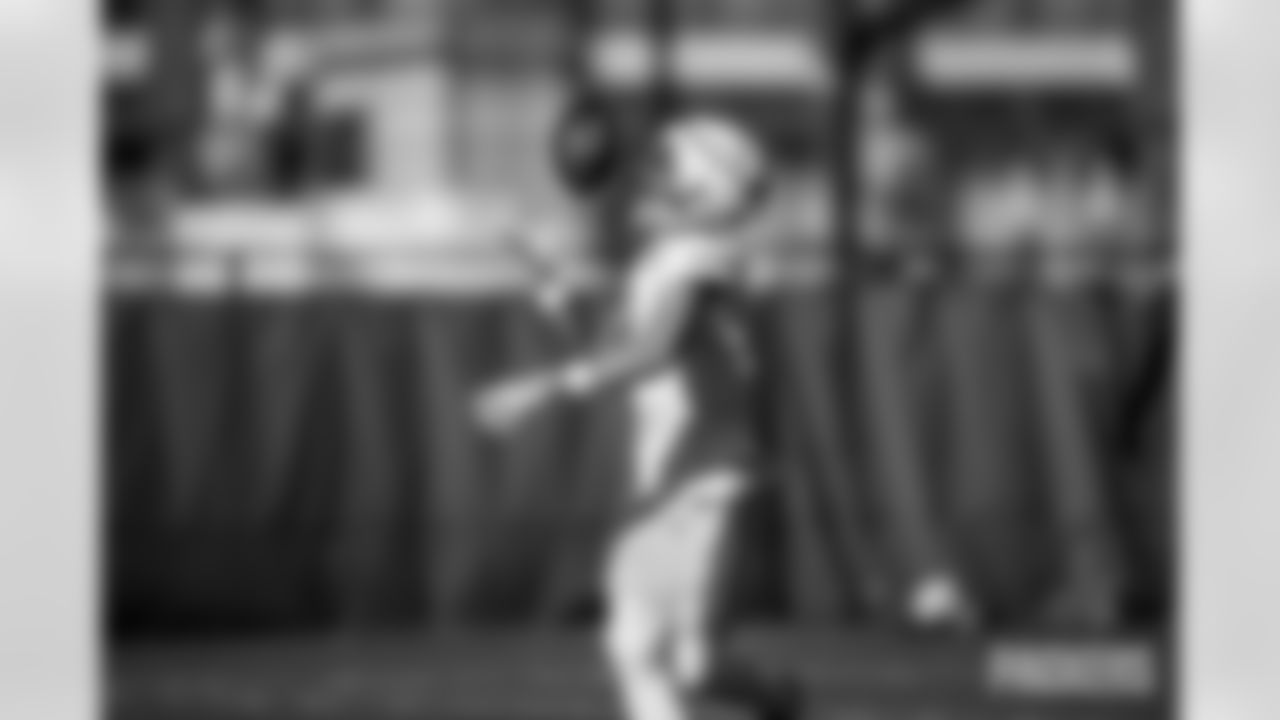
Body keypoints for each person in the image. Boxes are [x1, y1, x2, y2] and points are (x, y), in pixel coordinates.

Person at [473, 111, 802, 720]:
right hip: (656, 485)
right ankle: (776, 701)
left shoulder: (704, 256)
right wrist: (548, 280)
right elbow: (609, 348)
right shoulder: (662, 261)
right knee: (632, 650)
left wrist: (542, 390)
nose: (648, 182)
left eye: (666, 173)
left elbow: (655, 350)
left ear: (706, 188)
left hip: (707, 483)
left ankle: (774, 700)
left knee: (690, 664)